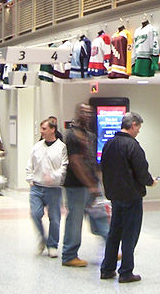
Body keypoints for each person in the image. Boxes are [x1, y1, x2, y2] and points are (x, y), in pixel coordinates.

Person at [100, 112, 155, 283]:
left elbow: (104, 168)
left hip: (115, 195)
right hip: (132, 196)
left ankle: (107, 269)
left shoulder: (109, 144)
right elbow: (141, 171)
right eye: (138, 127)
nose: (138, 131)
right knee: (130, 234)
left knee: (114, 232)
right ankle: (126, 271)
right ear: (133, 125)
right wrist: (150, 182)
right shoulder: (133, 147)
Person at [61, 103, 109, 268]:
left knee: (101, 216)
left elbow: (92, 160)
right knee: (75, 219)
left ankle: (111, 248)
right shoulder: (72, 136)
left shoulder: (90, 135)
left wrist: (96, 181)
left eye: (90, 112)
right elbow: (76, 163)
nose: (87, 115)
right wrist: (90, 185)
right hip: (76, 186)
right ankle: (69, 255)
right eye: (84, 112)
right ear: (77, 114)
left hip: (92, 184)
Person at [26, 118, 68, 258]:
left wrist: (54, 177)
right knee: (35, 214)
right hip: (37, 187)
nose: (41, 131)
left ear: (52, 130)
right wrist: (30, 179)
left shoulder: (61, 147)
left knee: (55, 218)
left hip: (54, 189)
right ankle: (42, 238)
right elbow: (30, 165)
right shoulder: (37, 147)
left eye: (44, 129)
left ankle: (52, 245)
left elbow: (64, 167)